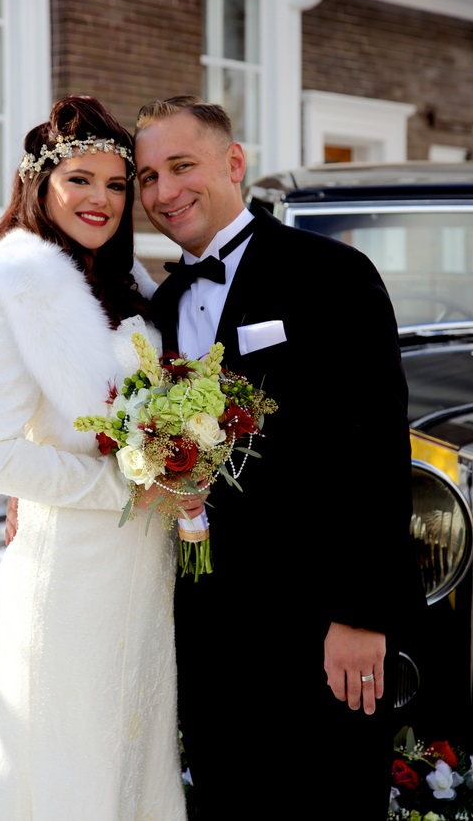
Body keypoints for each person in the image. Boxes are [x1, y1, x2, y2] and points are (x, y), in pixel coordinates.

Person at [132, 95, 428, 820]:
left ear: (234, 163)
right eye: (145, 177)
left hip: (321, 630)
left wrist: (361, 615)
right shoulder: (159, 308)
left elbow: (379, 450)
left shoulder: (331, 273)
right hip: (209, 637)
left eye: (181, 166)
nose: (163, 192)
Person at [0, 94, 205, 820]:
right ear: (43, 188)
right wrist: (122, 488)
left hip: (145, 571)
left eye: (118, 185)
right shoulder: (25, 290)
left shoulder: (129, 286)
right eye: (80, 182)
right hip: (72, 579)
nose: (102, 200)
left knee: (131, 755)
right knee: (76, 765)